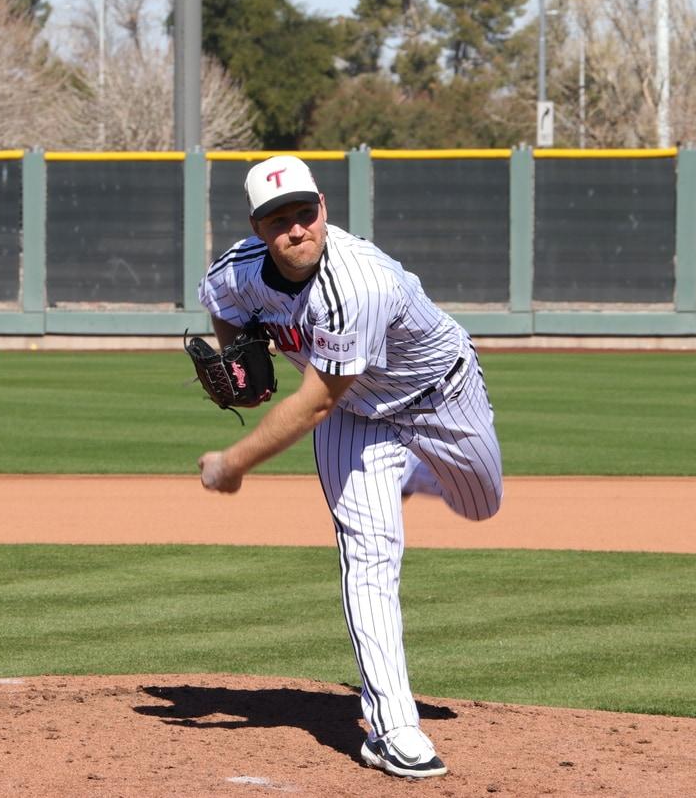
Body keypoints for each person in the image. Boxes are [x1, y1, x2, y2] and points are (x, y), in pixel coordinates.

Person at [196, 154, 504, 779]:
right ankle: (394, 729)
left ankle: (416, 474)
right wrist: (238, 358)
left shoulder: (355, 281)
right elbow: (221, 302)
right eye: (278, 220)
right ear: (258, 228)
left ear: (323, 209)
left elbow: (312, 404)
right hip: (355, 422)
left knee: (480, 502)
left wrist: (233, 462)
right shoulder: (240, 271)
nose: (296, 229)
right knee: (369, 552)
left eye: (304, 213)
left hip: (439, 396)